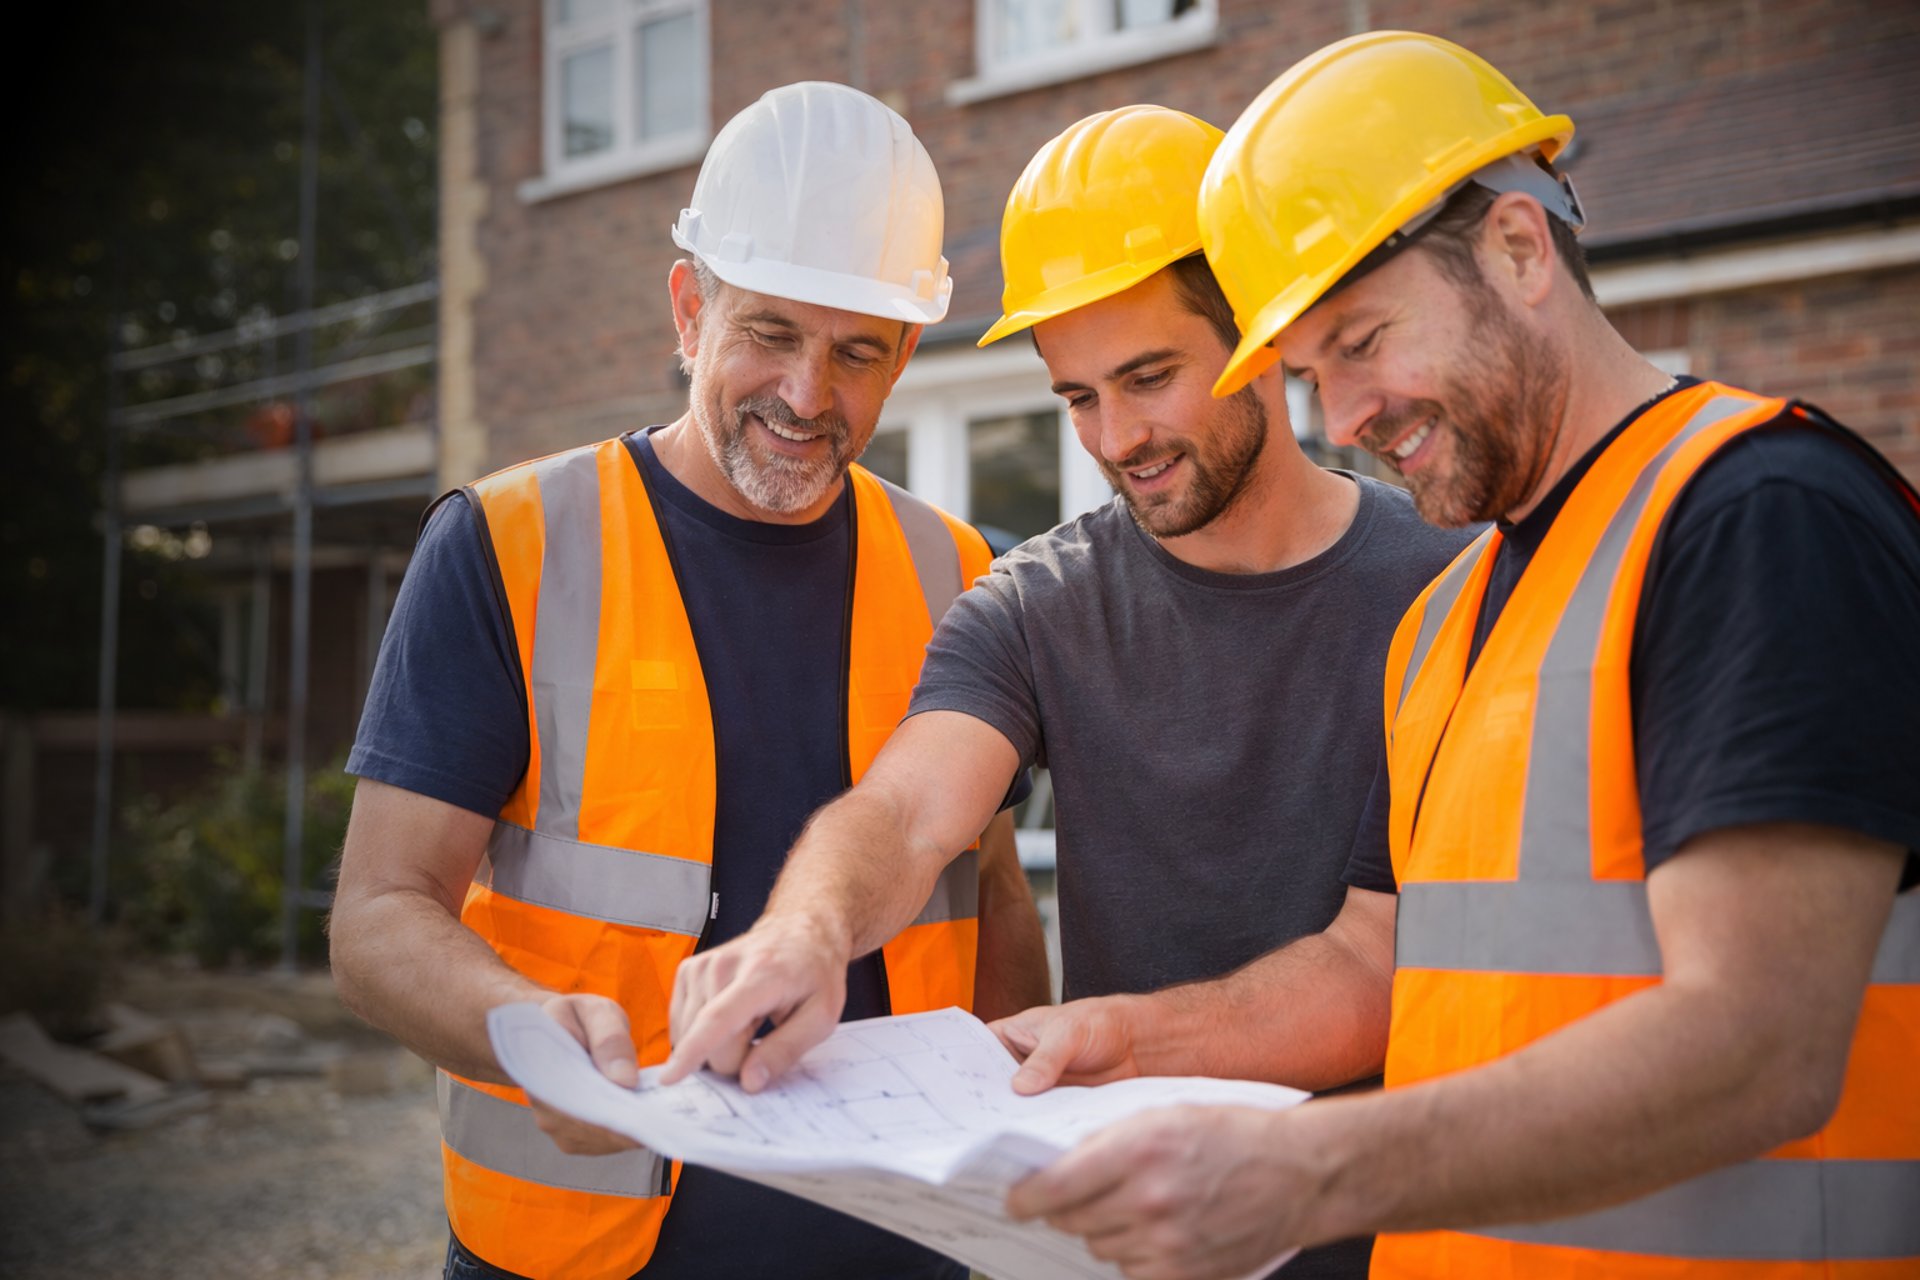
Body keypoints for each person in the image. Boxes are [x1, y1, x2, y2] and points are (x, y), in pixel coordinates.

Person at [997, 32, 1920, 1280]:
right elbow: (1374, 964)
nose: (1344, 418)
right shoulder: (1449, 613)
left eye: (1364, 341)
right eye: (1313, 373)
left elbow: (1758, 1039)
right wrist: (1127, 1037)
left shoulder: (1755, 518)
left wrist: (1308, 1172)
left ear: (1520, 249)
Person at [661, 104, 1472, 1280]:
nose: (1117, 436)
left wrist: (1132, 1034)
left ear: (1260, 334)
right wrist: (808, 929)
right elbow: (905, 811)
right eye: (1078, 396)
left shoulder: (1448, 586)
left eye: (1149, 377)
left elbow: (1387, 960)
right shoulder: (1038, 603)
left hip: (1397, 1240)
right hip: (1138, 1246)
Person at [328, 82, 1049, 1280]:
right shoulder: (509, 543)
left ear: (905, 355)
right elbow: (376, 913)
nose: (808, 395)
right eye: (769, 331)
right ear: (688, 308)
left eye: (856, 351)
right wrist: (525, 1032)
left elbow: (992, 888)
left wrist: (1009, 1157)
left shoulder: (957, 568)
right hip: (577, 1245)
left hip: (902, 1246)